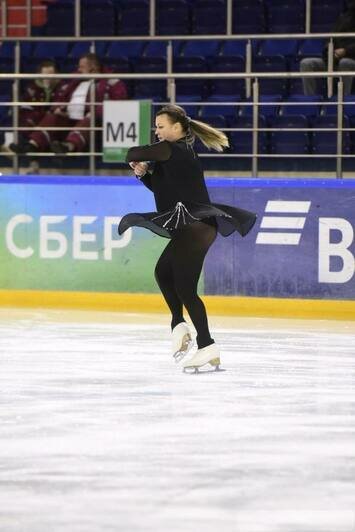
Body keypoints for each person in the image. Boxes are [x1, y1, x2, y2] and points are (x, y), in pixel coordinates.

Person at [118, 105, 257, 373]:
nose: (157, 131)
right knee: (163, 273)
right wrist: (144, 172)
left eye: (160, 126)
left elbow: (131, 153)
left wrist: (141, 160)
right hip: (193, 226)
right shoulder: (173, 153)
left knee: (185, 288)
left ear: (177, 128)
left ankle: (207, 345)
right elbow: (160, 186)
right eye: (156, 127)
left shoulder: (173, 148)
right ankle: (179, 325)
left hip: (195, 227)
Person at [10, 53, 127, 155]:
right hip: (69, 116)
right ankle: (31, 145)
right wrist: (59, 108)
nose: (79, 69)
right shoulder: (74, 80)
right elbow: (61, 96)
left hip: (93, 118)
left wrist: (95, 112)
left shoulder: (110, 80)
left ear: (93, 68)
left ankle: (68, 146)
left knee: (88, 119)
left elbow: (118, 101)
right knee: (52, 116)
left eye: (82, 67)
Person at [300, 0, 355, 96]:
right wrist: (329, 52)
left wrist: (345, 51)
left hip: (351, 59)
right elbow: (330, 38)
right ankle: (310, 100)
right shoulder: (343, 18)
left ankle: (345, 99)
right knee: (307, 63)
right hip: (334, 59)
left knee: (345, 62)